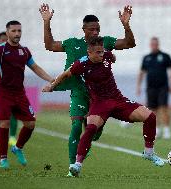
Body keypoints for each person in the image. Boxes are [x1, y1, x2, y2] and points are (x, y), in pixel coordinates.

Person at [43, 36, 164, 177]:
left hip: (118, 100)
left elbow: (112, 57)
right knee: (90, 129)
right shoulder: (80, 65)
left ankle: (149, 152)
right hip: (99, 103)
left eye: (102, 51)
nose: (101, 54)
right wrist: (52, 87)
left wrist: (111, 57)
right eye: (98, 53)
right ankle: (77, 164)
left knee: (150, 116)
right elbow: (65, 75)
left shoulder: (106, 55)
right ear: (89, 52)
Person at [39, 3, 136, 176]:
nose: (96, 32)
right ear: (83, 29)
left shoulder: (104, 42)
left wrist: (126, 24)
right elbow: (50, 45)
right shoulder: (72, 44)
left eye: (98, 29)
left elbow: (129, 43)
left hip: (100, 97)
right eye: (92, 29)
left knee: (94, 132)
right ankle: (72, 168)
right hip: (79, 92)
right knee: (76, 125)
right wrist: (46, 22)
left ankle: (86, 142)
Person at [0, 20, 54, 169]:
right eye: (13, 31)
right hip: (3, 92)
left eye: (19, 31)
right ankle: (3, 158)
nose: (17, 34)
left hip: (20, 93)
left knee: (31, 123)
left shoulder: (25, 51)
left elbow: (35, 67)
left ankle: (18, 148)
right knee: (4, 123)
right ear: (7, 33)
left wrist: (52, 79)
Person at [136, 37, 171, 139]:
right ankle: (157, 130)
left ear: (158, 45)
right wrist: (138, 86)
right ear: (150, 45)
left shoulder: (165, 56)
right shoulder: (146, 58)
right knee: (153, 111)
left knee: (163, 108)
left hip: (163, 87)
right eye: (152, 44)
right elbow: (141, 73)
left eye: (156, 44)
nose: (154, 46)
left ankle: (167, 130)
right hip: (151, 88)